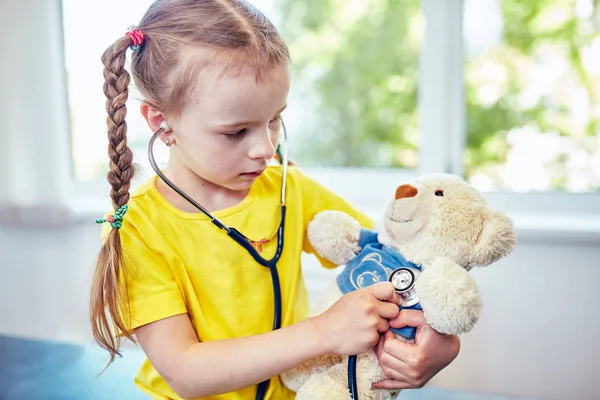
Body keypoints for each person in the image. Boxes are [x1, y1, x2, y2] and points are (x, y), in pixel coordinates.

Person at [89, 1, 460, 399]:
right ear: (161, 123)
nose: (265, 148)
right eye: (236, 132)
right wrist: (325, 332)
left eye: (273, 119)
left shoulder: (289, 189)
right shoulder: (138, 229)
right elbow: (184, 370)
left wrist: (442, 343)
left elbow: (399, 259)